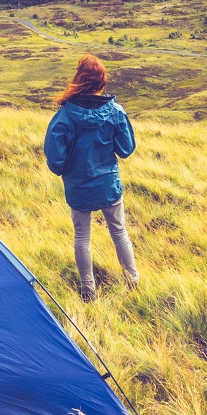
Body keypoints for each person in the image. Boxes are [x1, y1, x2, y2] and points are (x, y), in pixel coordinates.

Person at [44, 54, 139, 300]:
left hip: (79, 187)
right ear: (101, 82)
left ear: (79, 80)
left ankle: (88, 291)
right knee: (119, 232)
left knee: (82, 238)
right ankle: (133, 282)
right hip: (108, 185)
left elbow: (55, 161)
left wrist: (69, 169)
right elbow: (126, 149)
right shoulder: (116, 112)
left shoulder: (64, 116)